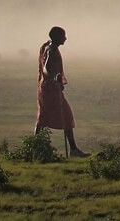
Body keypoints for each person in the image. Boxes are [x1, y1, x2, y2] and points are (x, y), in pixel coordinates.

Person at [35, 26, 87, 157]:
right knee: (62, 115)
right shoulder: (51, 50)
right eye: (63, 36)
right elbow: (46, 67)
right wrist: (53, 77)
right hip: (50, 88)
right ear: (57, 37)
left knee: (48, 116)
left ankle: (35, 147)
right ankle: (36, 148)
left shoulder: (50, 47)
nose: (65, 38)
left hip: (50, 87)